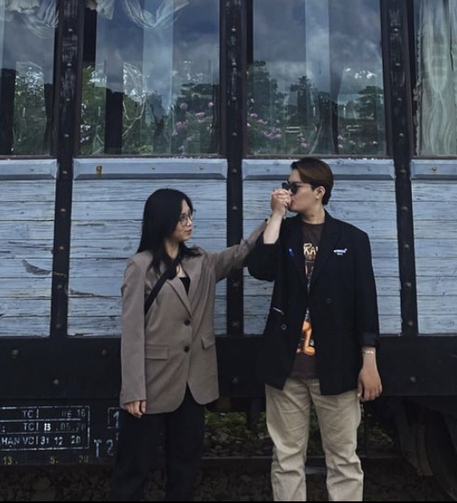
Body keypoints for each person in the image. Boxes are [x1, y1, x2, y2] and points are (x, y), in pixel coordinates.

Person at [110, 188, 265, 502]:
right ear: (162, 220)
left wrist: (274, 216)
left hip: (194, 383)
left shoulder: (201, 261)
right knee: (133, 468)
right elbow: (132, 333)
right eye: (182, 216)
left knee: (185, 468)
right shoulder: (140, 266)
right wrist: (133, 390)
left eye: (190, 215)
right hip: (151, 384)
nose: (189, 222)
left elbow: (240, 254)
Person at [246, 157, 382, 502]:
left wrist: (369, 361)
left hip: (336, 367)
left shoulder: (352, 239)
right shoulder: (282, 231)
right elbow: (260, 269)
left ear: (319, 192)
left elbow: (365, 304)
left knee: (344, 459)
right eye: (286, 185)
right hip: (286, 367)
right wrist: (276, 215)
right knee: (287, 458)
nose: (286, 191)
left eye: (295, 187)